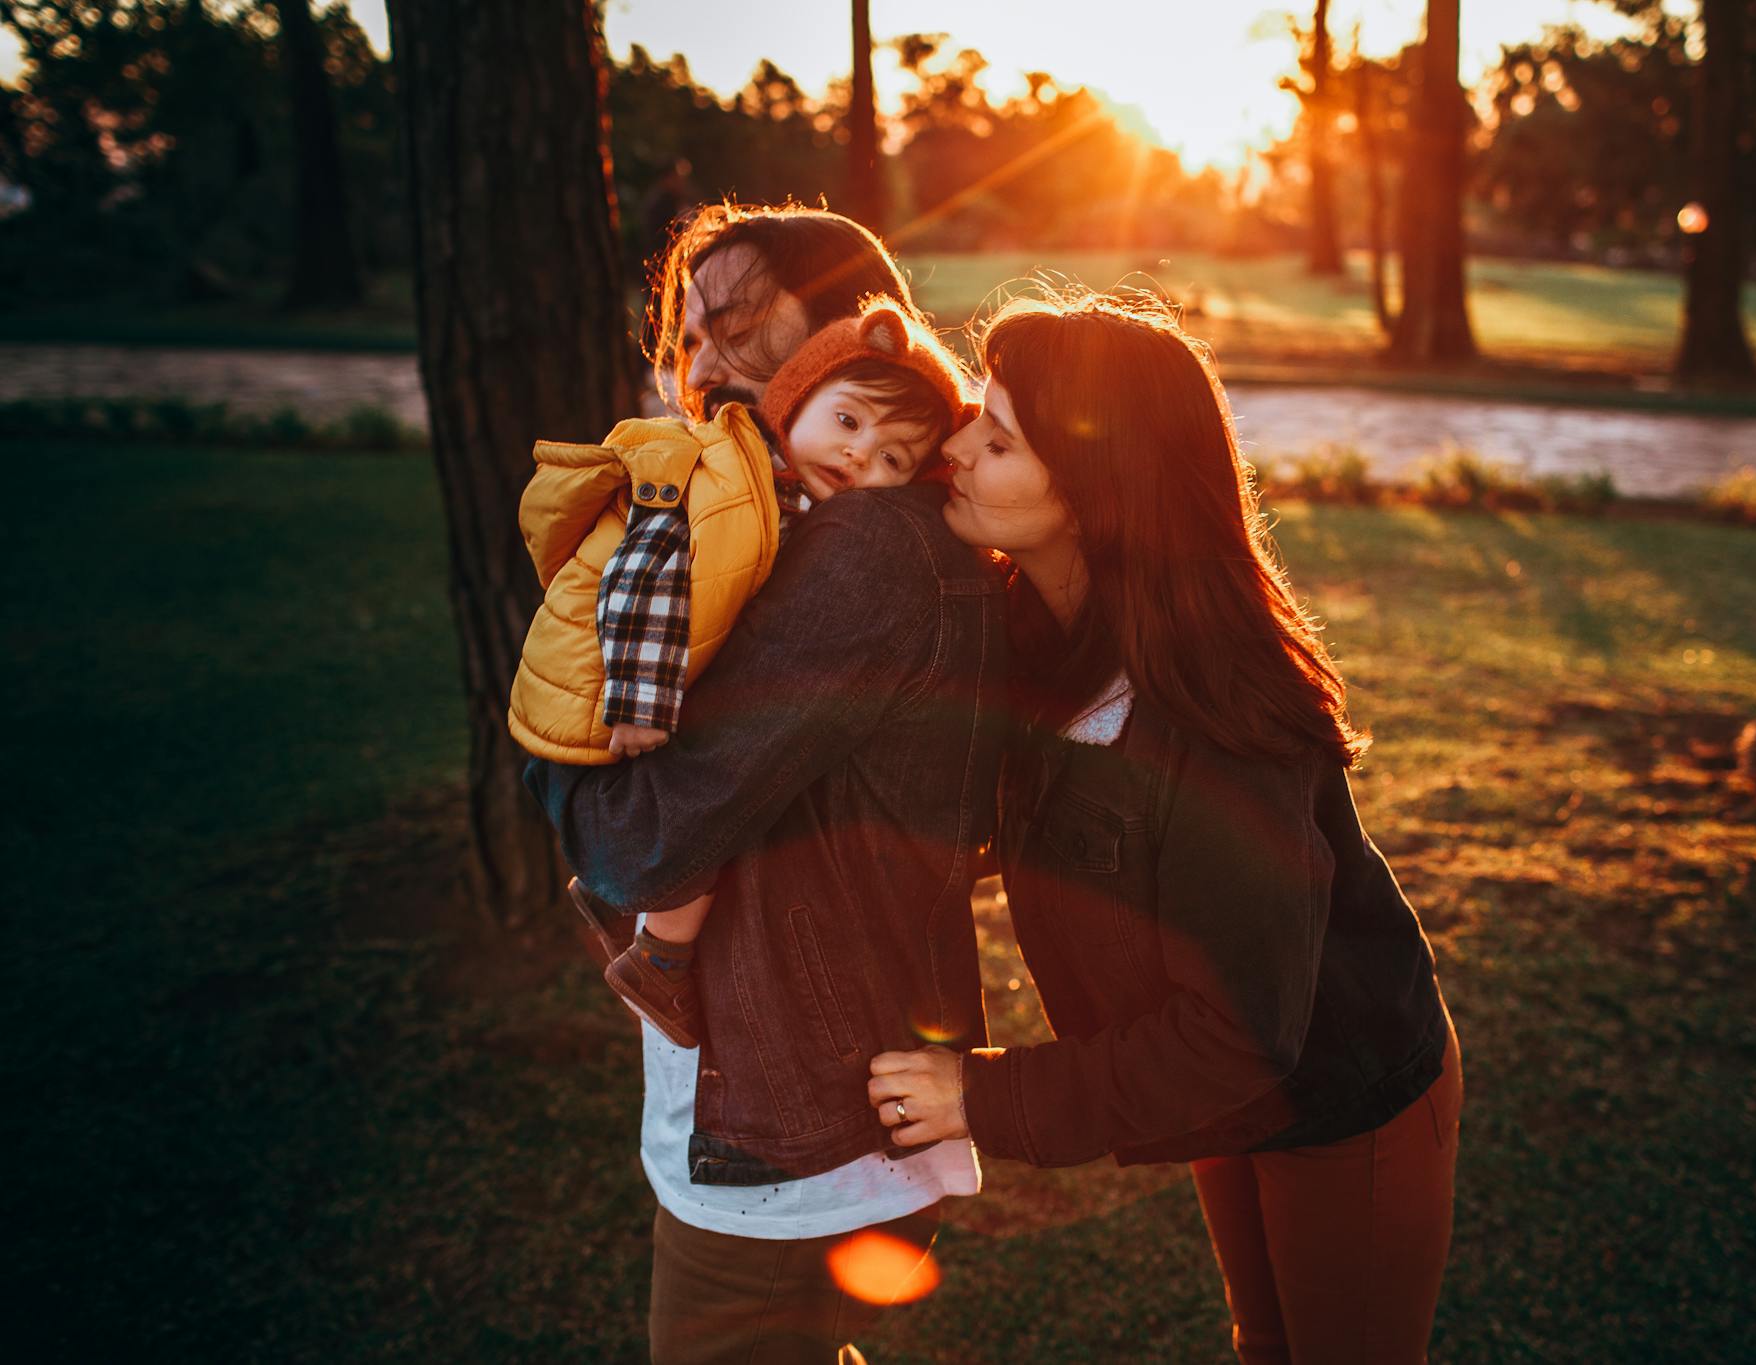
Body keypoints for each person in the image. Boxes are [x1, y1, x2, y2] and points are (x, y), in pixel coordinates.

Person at [866, 290, 1463, 1364]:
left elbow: (1239, 1033)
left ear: (1097, 496)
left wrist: (984, 1093)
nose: (953, 447)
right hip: (1215, 1088)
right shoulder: (1025, 624)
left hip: (1339, 1086)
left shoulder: (1220, 718)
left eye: (995, 439)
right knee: (1262, 1341)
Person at [523, 204, 1008, 1365]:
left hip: (792, 1127)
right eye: (684, 335)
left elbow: (644, 842)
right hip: (821, 1092)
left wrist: (549, 759)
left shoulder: (860, 550)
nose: (699, 365)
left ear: (845, 331)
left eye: (732, 324)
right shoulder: (793, 527)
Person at [507, 296, 972, 1049]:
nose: (859, 455)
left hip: (643, 675)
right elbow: (645, 575)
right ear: (796, 395)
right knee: (711, 788)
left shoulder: (801, 500)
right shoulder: (727, 477)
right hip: (611, 673)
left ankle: (647, 937)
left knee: (729, 773)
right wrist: (640, 697)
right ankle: (660, 953)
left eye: (892, 459)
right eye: (849, 421)